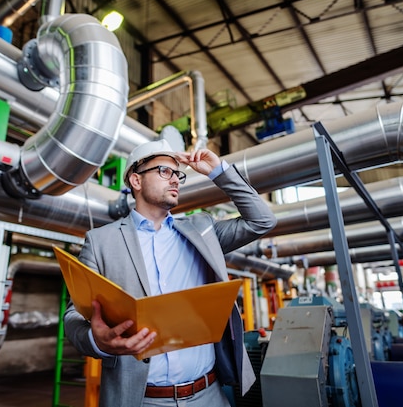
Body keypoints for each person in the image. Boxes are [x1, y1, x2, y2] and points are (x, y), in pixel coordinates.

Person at [63, 139, 277, 406]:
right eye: (165, 171)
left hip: (209, 394)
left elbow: (262, 221)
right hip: (141, 399)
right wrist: (97, 341)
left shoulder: (203, 230)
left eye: (178, 174)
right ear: (136, 181)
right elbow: (74, 315)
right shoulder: (101, 241)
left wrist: (218, 171)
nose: (175, 179)